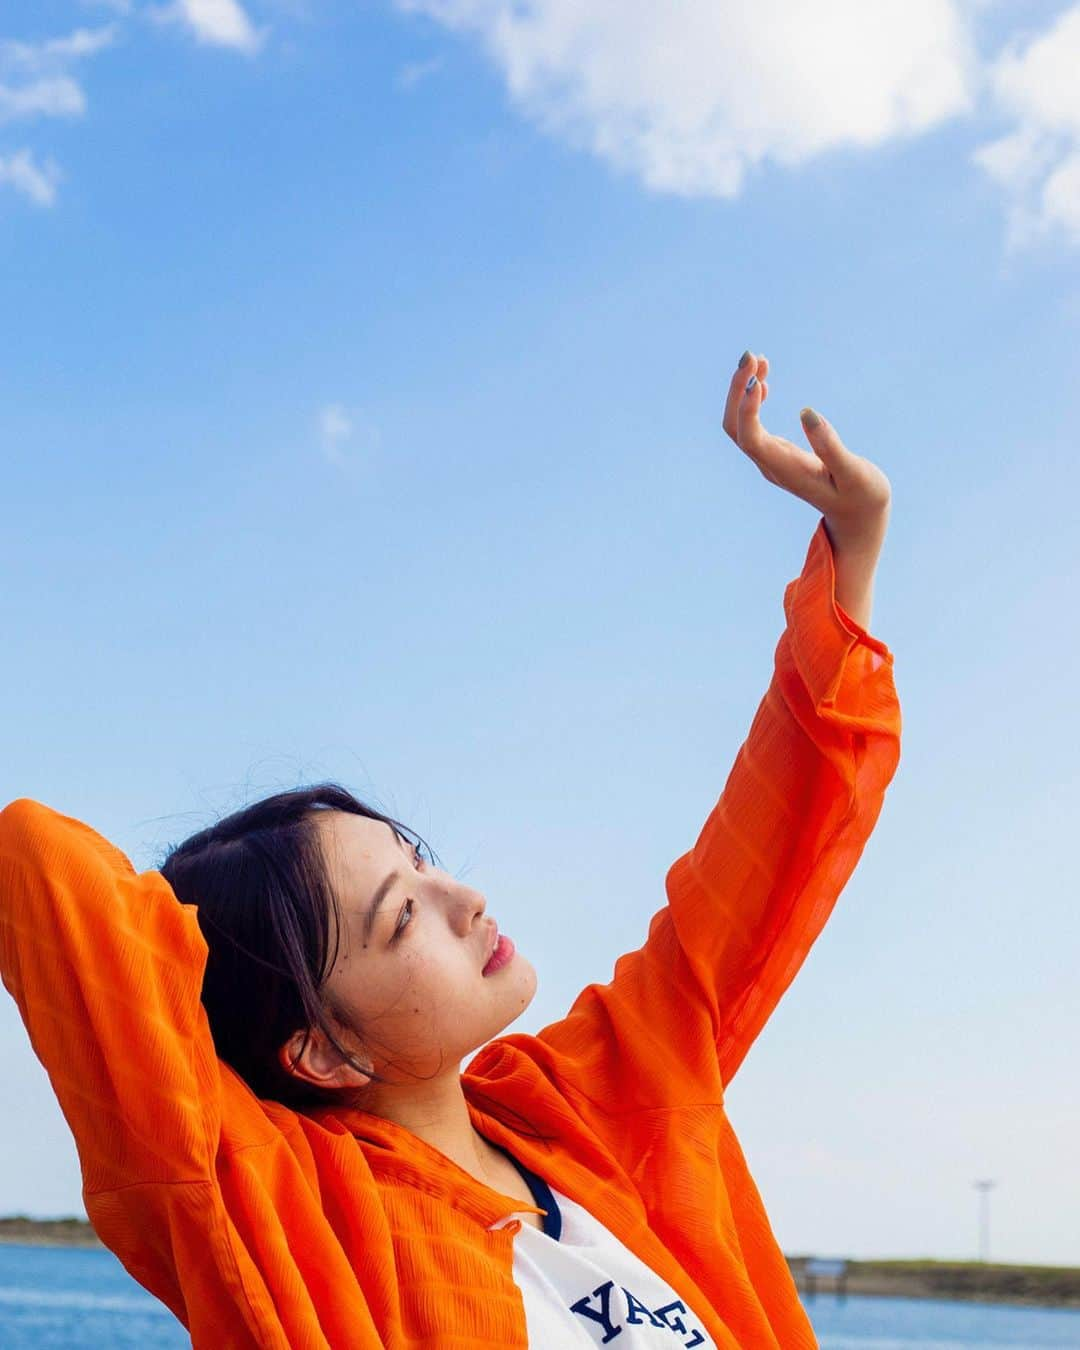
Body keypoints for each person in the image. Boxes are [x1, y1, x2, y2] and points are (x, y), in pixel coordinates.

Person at [0, 351, 901, 1349]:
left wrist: (850, 552)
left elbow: (749, 878)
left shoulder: (585, 1113)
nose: (465, 898)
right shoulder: (290, 1214)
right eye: (401, 916)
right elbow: (42, 868)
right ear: (324, 1048)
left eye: (422, 862)